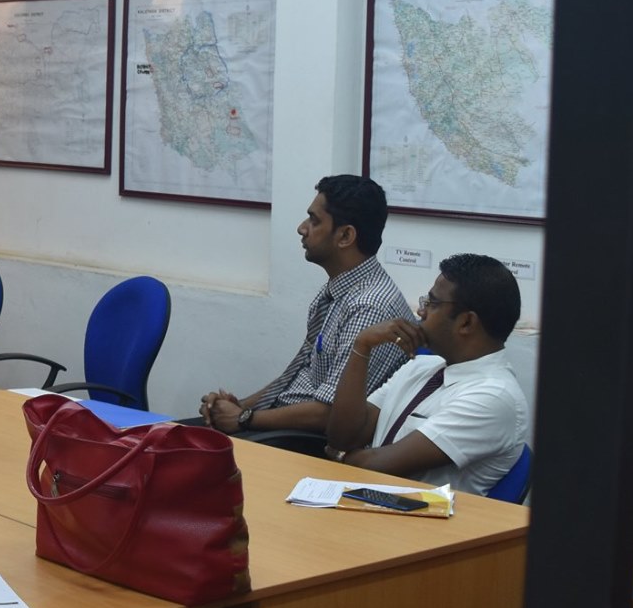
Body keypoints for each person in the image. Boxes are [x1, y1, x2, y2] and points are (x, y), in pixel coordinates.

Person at [200, 174, 415, 437]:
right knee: (166, 436)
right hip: (278, 424)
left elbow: (329, 411)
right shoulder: (338, 291)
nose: (302, 228)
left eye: (314, 220)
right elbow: (296, 376)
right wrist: (240, 406)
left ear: (345, 236)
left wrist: (245, 418)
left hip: (304, 441)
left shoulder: (369, 307)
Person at [325, 255, 529, 495]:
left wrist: (339, 456)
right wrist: (362, 346)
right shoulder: (422, 366)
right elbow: (343, 436)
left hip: (425, 528)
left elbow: (376, 467)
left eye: (432, 303)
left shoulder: (493, 397)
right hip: (369, 505)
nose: (420, 311)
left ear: (466, 322)